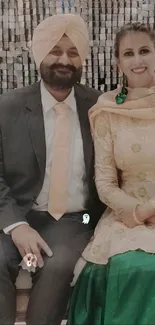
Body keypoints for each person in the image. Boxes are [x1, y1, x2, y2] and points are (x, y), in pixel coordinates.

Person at [0, 14, 106, 325]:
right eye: (55, 50)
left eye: (73, 52)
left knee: (58, 265)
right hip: (18, 214)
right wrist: (16, 226)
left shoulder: (99, 107)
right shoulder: (7, 108)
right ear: (40, 54)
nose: (64, 59)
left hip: (74, 219)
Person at [67, 22, 155, 325]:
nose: (138, 60)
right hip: (127, 213)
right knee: (135, 267)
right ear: (118, 62)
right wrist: (142, 210)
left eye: (145, 50)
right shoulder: (106, 111)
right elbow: (104, 182)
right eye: (128, 53)